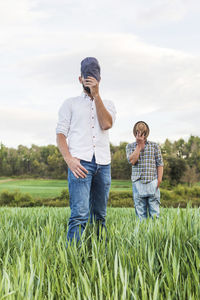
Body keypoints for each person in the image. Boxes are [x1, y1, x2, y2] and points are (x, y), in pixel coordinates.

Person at [56, 57, 116, 244]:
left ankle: (98, 256)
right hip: (80, 164)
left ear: (99, 79)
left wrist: (96, 96)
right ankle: (72, 260)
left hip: (103, 165)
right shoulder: (70, 103)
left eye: (94, 78)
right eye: (87, 78)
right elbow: (60, 134)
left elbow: (106, 124)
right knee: (80, 215)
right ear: (80, 79)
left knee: (99, 215)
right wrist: (69, 160)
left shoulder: (108, 104)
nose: (90, 81)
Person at [126, 121, 164, 220]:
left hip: (152, 182)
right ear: (135, 133)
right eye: (138, 132)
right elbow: (132, 161)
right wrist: (139, 145)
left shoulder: (154, 146)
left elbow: (160, 163)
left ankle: (154, 235)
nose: (141, 135)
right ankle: (143, 235)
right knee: (140, 215)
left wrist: (159, 180)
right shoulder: (130, 146)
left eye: (142, 133)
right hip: (138, 184)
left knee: (155, 215)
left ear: (146, 133)